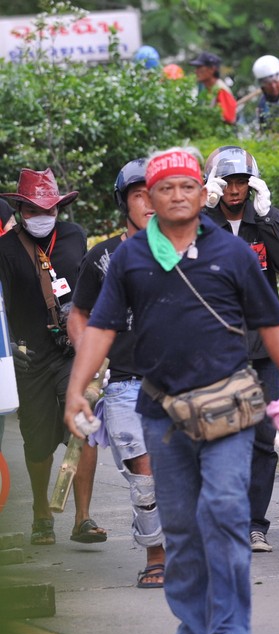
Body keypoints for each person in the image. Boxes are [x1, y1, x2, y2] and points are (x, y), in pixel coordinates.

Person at [64, 147, 279, 634]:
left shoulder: (233, 252)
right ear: (149, 198)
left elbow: (270, 321)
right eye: (165, 188)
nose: (177, 195)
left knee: (225, 512)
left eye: (187, 186)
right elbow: (101, 326)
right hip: (161, 410)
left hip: (227, 408)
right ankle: (193, 631)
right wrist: (77, 388)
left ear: (202, 194)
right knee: (178, 524)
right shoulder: (129, 257)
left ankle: (231, 633)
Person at [202, 145, 279, 553]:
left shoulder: (262, 220)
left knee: (264, 439)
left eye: (242, 182)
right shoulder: (201, 220)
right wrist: (201, 210)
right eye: (227, 182)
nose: (234, 190)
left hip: (261, 350)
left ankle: (254, 524)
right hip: (213, 348)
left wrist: (267, 215)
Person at [67, 159, 164, 587]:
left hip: (180, 383)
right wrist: (88, 358)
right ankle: (156, 555)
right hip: (124, 384)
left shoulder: (192, 251)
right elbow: (79, 313)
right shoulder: (101, 257)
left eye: (156, 193)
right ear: (124, 202)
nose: (150, 203)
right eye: (139, 195)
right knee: (144, 477)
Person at [0, 168, 106, 546]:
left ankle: (82, 518)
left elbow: (90, 287)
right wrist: (9, 349)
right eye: (33, 210)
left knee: (84, 425)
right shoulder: (6, 248)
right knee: (37, 439)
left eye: (49, 209)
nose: (42, 216)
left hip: (72, 351)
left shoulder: (75, 236)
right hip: (29, 356)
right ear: (21, 210)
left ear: (59, 208)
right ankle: (41, 511)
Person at [189, 51, 237, 125]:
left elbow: (229, 120)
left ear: (212, 69)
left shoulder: (221, 90)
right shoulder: (207, 90)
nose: (196, 71)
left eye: (199, 67)